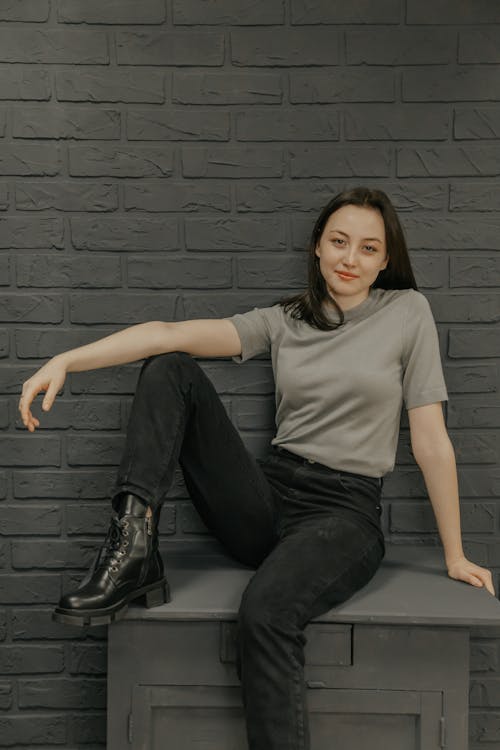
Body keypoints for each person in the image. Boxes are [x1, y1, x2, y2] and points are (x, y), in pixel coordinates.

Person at [19, 186, 495, 750]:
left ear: (385, 259)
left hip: (343, 512)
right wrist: (66, 360)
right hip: (269, 496)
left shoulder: (407, 313)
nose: (350, 258)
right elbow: (168, 335)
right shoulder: (285, 320)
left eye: (369, 248)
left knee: (266, 612)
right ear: (318, 246)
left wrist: (455, 554)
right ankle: (131, 550)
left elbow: (431, 441)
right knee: (171, 368)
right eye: (339, 242)